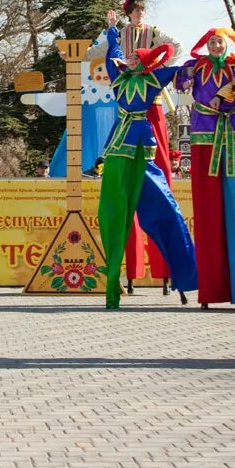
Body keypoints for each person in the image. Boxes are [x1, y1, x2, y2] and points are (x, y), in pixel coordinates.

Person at [96, 17, 198, 310]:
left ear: (141, 63)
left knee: (166, 211)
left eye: (133, 58)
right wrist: (112, 29)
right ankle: (112, 290)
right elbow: (111, 53)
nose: (126, 59)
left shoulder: (152, 80)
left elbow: (179, 69)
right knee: (113, 218)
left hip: (142, 152)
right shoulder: (119, 80)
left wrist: (198, 66)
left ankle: (183, 277)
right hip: (118, 153)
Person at [87, 0, 181, 292]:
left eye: (143, 10)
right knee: (121, 165)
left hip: (151, 104)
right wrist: (98, 40)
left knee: (159, 178)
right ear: (128, 13)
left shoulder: (154, 32)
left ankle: (166, 267)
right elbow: (97, 52)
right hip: (129, 103)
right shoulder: (119, 34)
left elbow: (175, 49)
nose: (140, 14)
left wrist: (152, 66)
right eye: (136, 10)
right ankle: (101, 165)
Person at [175, 28, 235, 310]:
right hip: (203, 135)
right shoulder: (196, 66)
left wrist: (227, 98)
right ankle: (210, 289)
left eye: (219, 41)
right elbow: (179, 82)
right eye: (211, 41)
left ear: (228, 44)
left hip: (233, 133)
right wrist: (184, 80)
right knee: (208, 210)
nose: (214, 45)